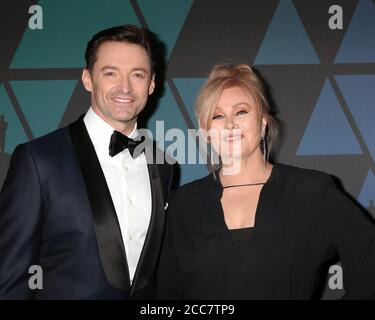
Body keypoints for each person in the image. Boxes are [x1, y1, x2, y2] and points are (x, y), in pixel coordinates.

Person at [157, 63, 375, 299]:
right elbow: (165, 294)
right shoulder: (182, 205)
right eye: (218, 116)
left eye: (241, 111)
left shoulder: (311, 192)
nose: (230, 124)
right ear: (206, 132)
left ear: (263, 123)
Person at [0, 25, 174, 299]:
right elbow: (9, 279)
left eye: (137, 75)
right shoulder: (38, 161)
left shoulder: (163, 165)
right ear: (88, 79)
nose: (125, 87)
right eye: (110, 73)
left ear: (152, 84)